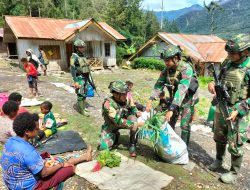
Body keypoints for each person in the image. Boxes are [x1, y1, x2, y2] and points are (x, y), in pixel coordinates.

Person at [0, 112, 92, 190]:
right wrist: (61, 165)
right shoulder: (28, 151)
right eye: (36, 129)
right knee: (69, 168)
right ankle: (80, 159)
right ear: (27, 131)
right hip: (29, 187)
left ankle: (84, 157)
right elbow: (44, 174)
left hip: (11, 183)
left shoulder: (10, 141)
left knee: (52, 160)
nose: (38, 131)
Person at [207, 34, 250, 184]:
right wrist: (212, 83)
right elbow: (218, 77)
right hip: (221, 105)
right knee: (219, 135)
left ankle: (233, 171)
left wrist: (239, 110)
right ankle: (218, 160)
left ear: (245, 52)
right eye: (229, 53)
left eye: (233, 53)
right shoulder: (228, 62)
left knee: (235, 141)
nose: (229, 55)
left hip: (238, 110)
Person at [146, 45, 199, 146]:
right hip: (175, 97)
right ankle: (170, 144)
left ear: (176, 58)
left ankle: (184, 147)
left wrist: (171, 109)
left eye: (168, 60)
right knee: (170, 121)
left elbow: (182, 90)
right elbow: (159, 85)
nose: (166, 63)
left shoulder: (186, 69)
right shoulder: (166, 70)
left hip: (187, 99)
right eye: (165, 60)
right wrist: (150, 99)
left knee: (184, 125)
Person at [99, 80, 144, 157]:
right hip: (112, 125)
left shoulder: (128, 96)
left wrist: (136, 112)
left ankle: (132, 144)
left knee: (134, 118)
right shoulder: (108, 104)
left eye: (126, 93)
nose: (126, 95)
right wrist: (137, 124)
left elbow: (133, 107)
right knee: (103, 148)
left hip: (127, 120)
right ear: (116, 94)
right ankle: (115, 134)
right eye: (124, 94)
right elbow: (118, 121)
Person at [70, 39, 95, 116]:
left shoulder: (82, 56)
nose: (83, 48)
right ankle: (81, 110)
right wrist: (75, 81)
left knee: (84, 93)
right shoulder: (73, 57)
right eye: (81, 47)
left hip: (85, 77)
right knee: (80, 94)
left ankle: (83, 107)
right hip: (79, 78)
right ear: (77, 48)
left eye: (83, 47)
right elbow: (72, 69)